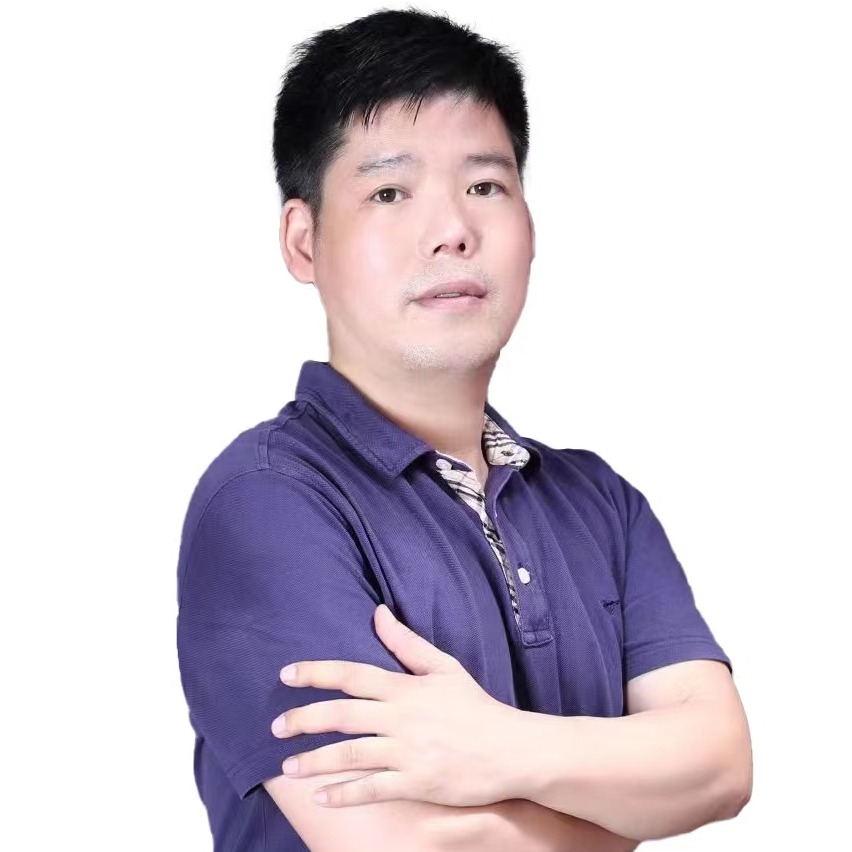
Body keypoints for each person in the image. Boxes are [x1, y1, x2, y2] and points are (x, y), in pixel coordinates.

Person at [176, 8, 752, 851]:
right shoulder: (267, 505)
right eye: (389, 193)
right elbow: (404, 843)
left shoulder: (602, 503)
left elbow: (722, 765)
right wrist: (626, 812)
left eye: (485, 186)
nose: (452, 231)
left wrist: (496, 746)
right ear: (304, 242)